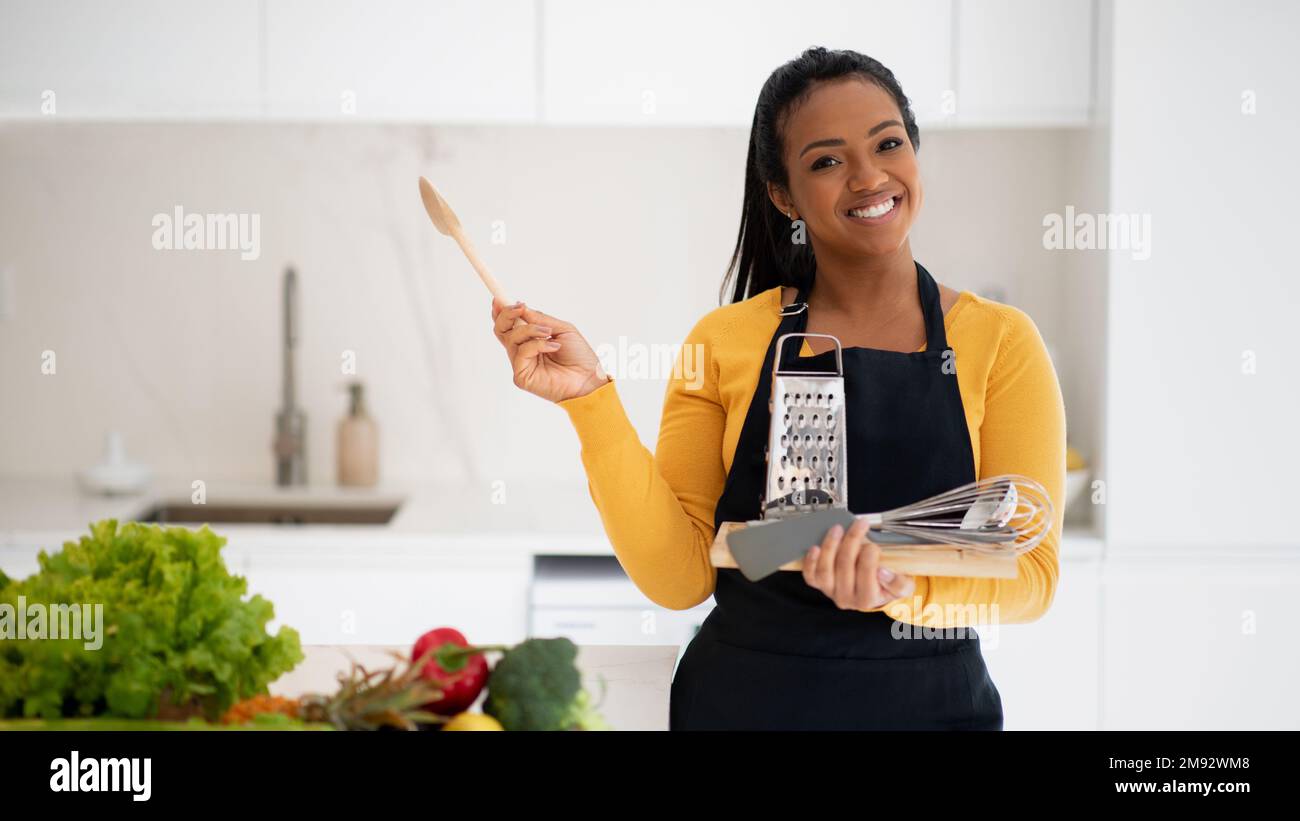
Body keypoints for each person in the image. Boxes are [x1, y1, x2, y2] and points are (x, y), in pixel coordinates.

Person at [489, 47, 1065, 730]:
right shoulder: (725, 340)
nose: (869, 175)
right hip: (739, 706)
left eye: (889, 142)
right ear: (782, 193)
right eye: (827, 160)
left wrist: (900, 585)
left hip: (933, 711)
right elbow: (680, 577)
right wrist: (591, 401)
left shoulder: (1001, 340)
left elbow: (1031, 577)